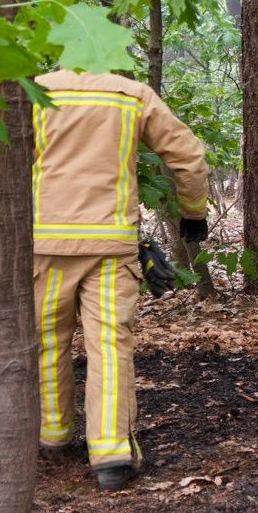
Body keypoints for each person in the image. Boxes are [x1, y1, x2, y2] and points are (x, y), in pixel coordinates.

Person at [33, 69, 209, 490]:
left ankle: (54, 435)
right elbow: (188, 155)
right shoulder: (131, 94)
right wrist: (193, 214)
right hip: (110, 245)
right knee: (109, 345)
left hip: (45, 240)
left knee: (48, 340)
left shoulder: (31, 91)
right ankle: (111, 453)